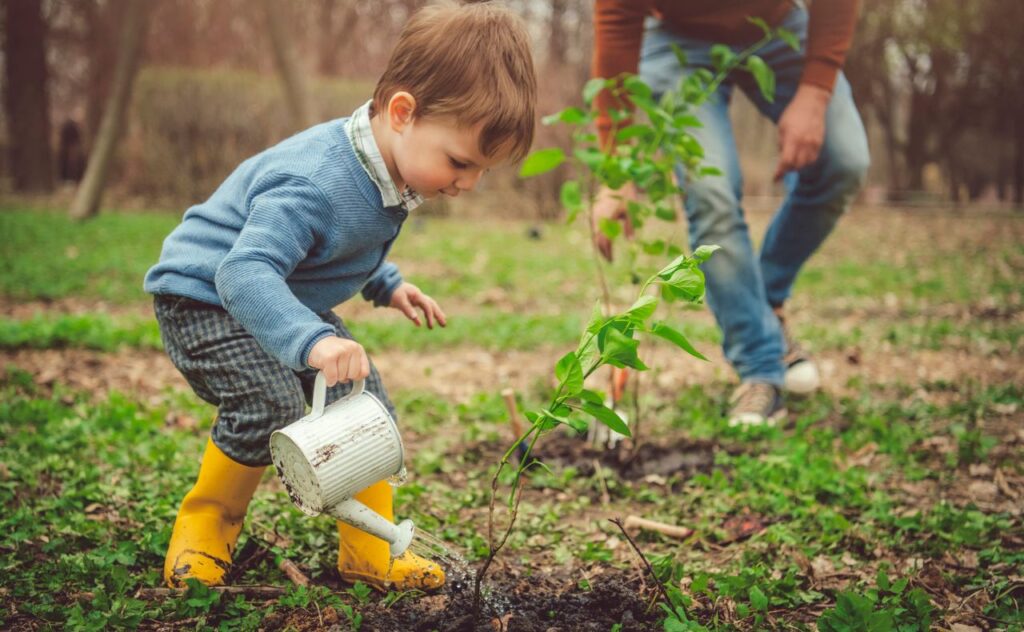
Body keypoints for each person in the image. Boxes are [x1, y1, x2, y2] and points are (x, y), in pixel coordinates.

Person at [144, 0, 536, 590]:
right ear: (403, 112)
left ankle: (370, 550)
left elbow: (339, 243)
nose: (469, 183)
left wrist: (389, 284)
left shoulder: (388, 166)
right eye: (460, 162)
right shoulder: (315, 182)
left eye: (483, 170)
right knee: (269, 404)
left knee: (364, 406)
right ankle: (205, 529)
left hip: (277, 293)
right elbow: (244, 271)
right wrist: (311, 339)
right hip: (205, 297)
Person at [590, 0, 870, 427]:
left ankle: (766, 304)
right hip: (678, 38)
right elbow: (615, 20)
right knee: (710, 190)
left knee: (844, 160)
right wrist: (616, 170)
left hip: (777, 23)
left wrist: (814, 91)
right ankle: (760, 367)